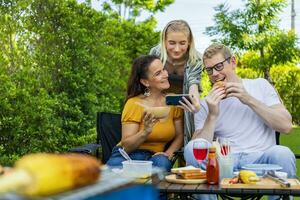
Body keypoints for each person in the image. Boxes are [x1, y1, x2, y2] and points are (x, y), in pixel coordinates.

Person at [184, 43, 296, 199]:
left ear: (233, 62)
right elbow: (197, 150)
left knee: (283, 153)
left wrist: (247, 99)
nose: (215, 74)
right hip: (224, 163)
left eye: (218, 66)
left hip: (261, 162)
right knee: (191, 147)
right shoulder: (206, 103)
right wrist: (212, 115)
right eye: (209, 70)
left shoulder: (260, 86)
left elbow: (286, 126)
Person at [106, 55, 183, 172]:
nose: (166, 74)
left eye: (164, 70)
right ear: (145, 82)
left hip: (157, 157)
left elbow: (180, 136)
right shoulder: (135, 103)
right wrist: (145, 132)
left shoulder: (172, 101)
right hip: (128, 155)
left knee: (162, 164)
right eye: (158, 73)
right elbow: (126, 146)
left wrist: (168, 154)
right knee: (117, 179)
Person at [150, 19, 203, 145]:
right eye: (172, 43)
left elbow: (193, 83)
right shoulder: (155, 54)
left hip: (184, 104)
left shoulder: (196, 59)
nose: (177, 49)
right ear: (164, 41)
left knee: (186, 139)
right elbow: (150, 81)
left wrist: (194, 101)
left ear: (189, 42)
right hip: (160, 103)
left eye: (182, 43)